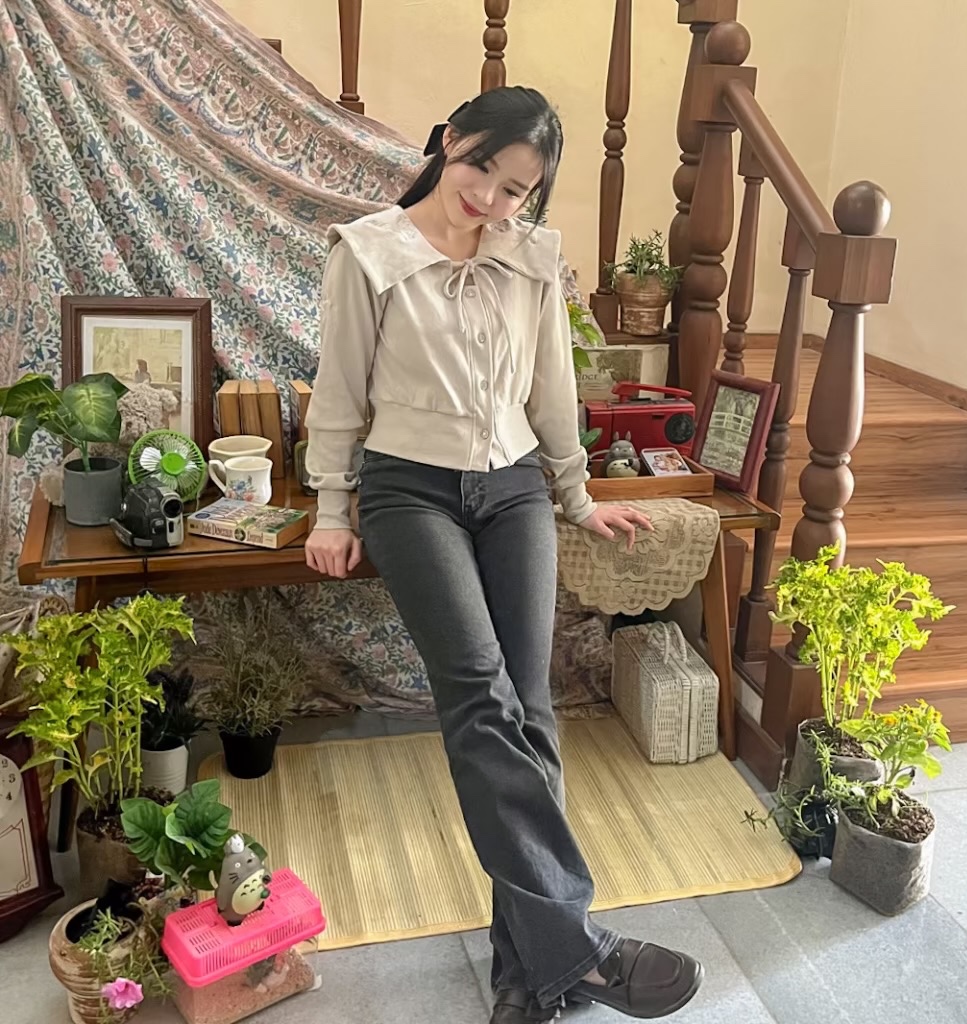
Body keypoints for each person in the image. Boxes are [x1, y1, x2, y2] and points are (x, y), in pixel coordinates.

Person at [304, 87, 704, 1024]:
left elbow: (552, 386)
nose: (489, 197)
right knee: (482, 699)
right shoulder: (369, 252)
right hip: (410, 491)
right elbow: (340, 389)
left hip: (515, 486)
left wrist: (576, 496)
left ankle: (529, 974)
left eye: (516, 189)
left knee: (531, 712)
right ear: (450, 140)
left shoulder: (531, 259)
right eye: (481, 166)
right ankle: (583, 950)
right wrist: (329, 507)